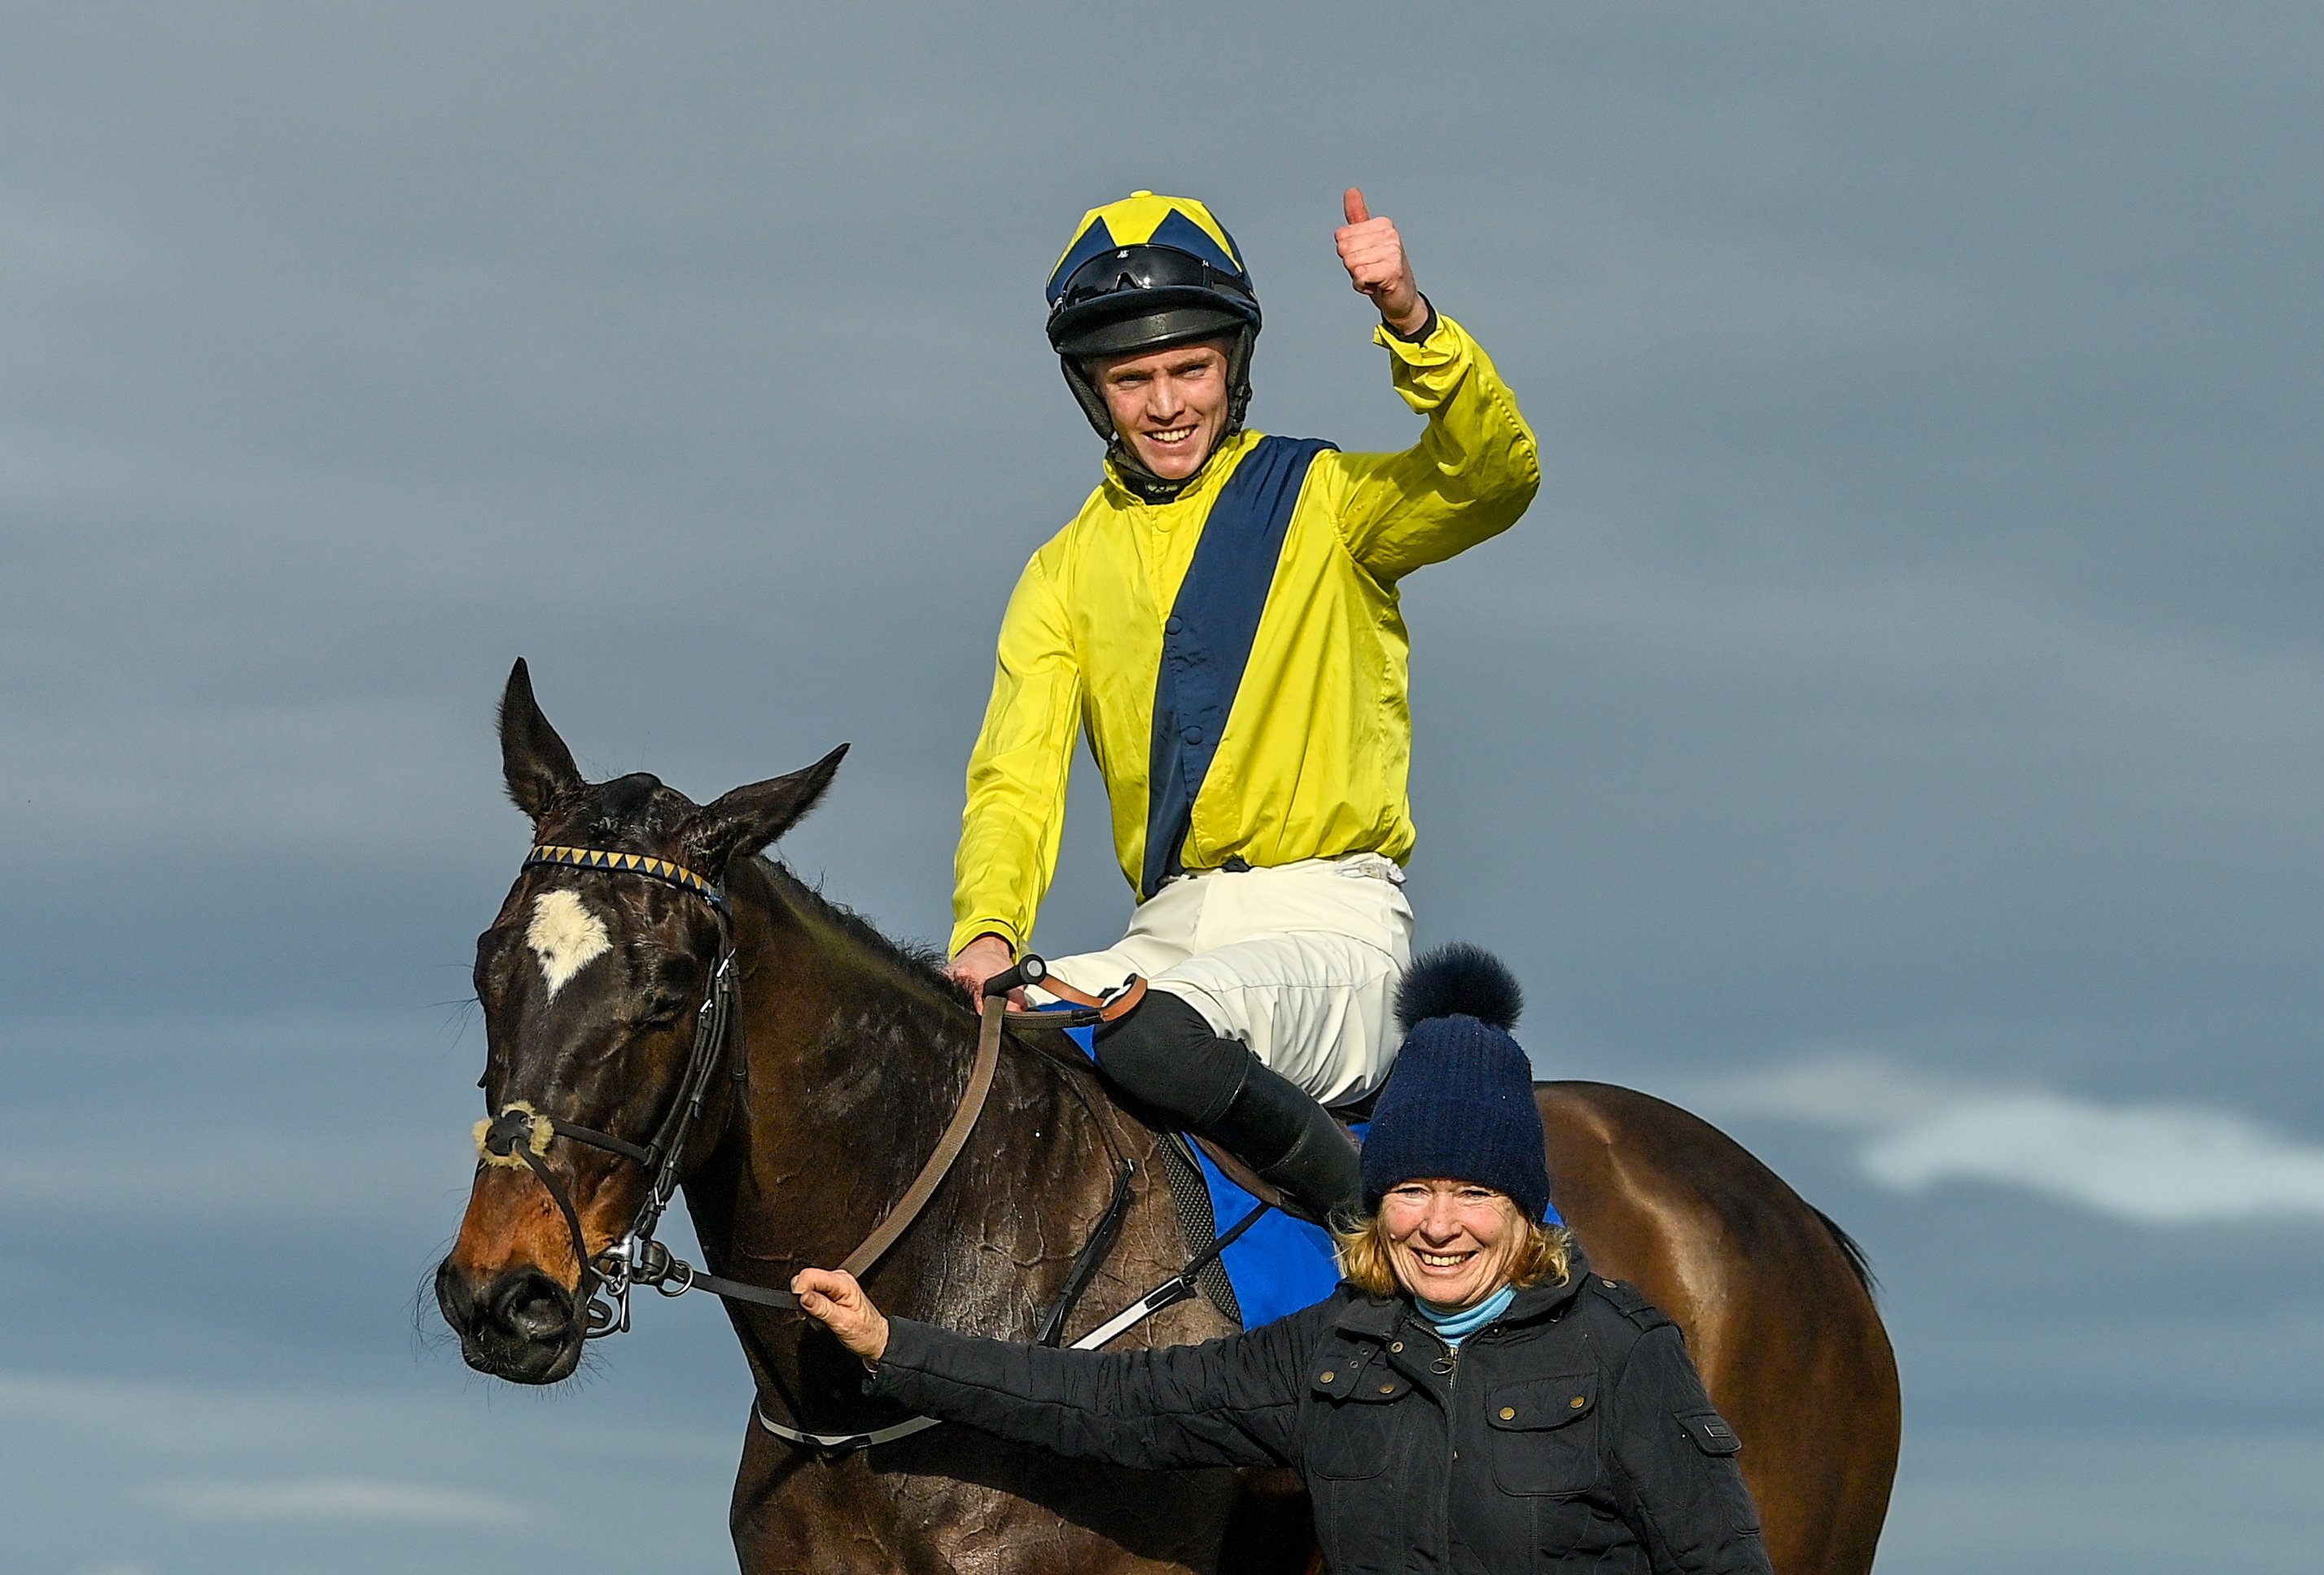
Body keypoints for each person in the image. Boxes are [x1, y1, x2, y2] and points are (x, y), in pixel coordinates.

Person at [943, 187, 1541, 1224]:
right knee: (958, 1055)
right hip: (1163, 937)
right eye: (1133, 380)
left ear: (1233, 365)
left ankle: (1381, 1243)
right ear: (1094, 391)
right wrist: (989, 932)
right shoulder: (1060, 574)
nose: (1166, 403)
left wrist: (1408, 317)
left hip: (1333, 929)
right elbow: (1016, 776)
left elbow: (1491, 477)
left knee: (1155, 1033)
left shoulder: (1325, 501)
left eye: (1189, 368)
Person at [795, 947, 1772, 1575]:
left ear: (1523, 1214)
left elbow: (1720, 1561)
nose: (1438, 1226)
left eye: (1473, 1194)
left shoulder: (1624, 1354)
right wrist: (891, 1344)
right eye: (1410, 1192)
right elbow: (1100, 1402)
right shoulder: (1327, 1353)